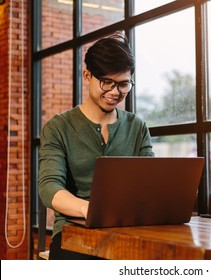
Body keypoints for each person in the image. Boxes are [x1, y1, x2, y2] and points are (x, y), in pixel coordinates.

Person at [38, 33, 154, 260]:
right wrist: (88, 209)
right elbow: (49, 187)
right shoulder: (58, 127)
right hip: (74, 234)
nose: (114, 92)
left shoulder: (137, 127)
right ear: (87, 76)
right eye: (106, 82)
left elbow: (150, 183)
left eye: (123, 84)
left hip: (128, 231)